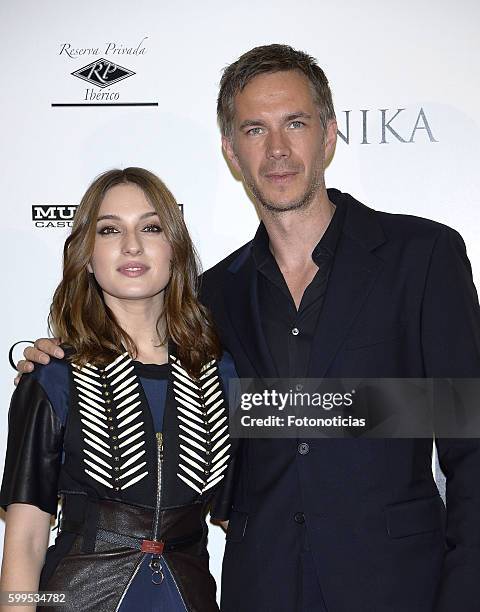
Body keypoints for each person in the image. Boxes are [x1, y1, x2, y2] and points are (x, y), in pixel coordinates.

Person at [15, 44, 480, 612]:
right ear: (232, 152)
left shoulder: (423, 257)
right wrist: (56, 362)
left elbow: (470, 446)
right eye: (255, 130)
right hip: (258, 588)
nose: (278, 149)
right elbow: (144, 365)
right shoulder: (213, 296)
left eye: (296, 123)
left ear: (329, 135)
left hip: (399, 587)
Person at [1, 167, 235, 612]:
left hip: (189, 598)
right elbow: (26, 540)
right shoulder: (51, 376)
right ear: (87, 256)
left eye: (150, 227)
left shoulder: (219, 373)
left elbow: (236, 506)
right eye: (110, 230)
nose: (132, 245)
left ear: (175, 251)